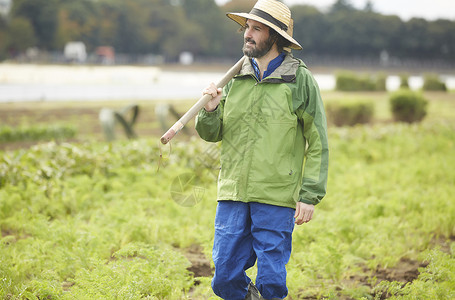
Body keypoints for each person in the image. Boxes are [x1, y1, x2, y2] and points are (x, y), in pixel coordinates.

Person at [195, 0, 329, 299]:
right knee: (224, 277)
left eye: (257, 29)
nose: (248, 34)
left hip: (276, 195)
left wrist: (309, 195)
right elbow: (211, 133)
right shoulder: (233, 79)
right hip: (233, 193)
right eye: (247, 28)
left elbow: (318, 140)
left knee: (271, 281)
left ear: (275, 37)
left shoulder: (298, 80)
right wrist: (211, 109)